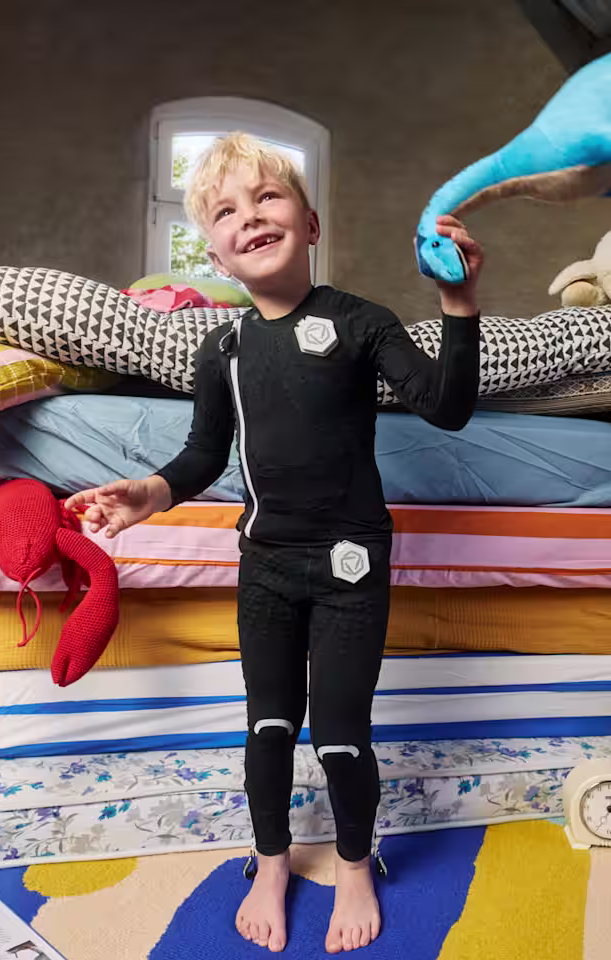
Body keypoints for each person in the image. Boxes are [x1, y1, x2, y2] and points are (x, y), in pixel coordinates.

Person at [66, 133, 483, 954]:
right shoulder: (219, 348)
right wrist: (146, 495)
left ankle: (357, 865)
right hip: (263, 566)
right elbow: (200, 456)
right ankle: (270, 860)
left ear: (311, 222)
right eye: (225, 211)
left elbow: (446, 407)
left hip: (349, 568)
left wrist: (460, 307)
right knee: (266, 728)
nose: (249, 216)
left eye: (266, 198)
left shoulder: (361, 321)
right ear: (216, 251)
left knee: (339, 730)